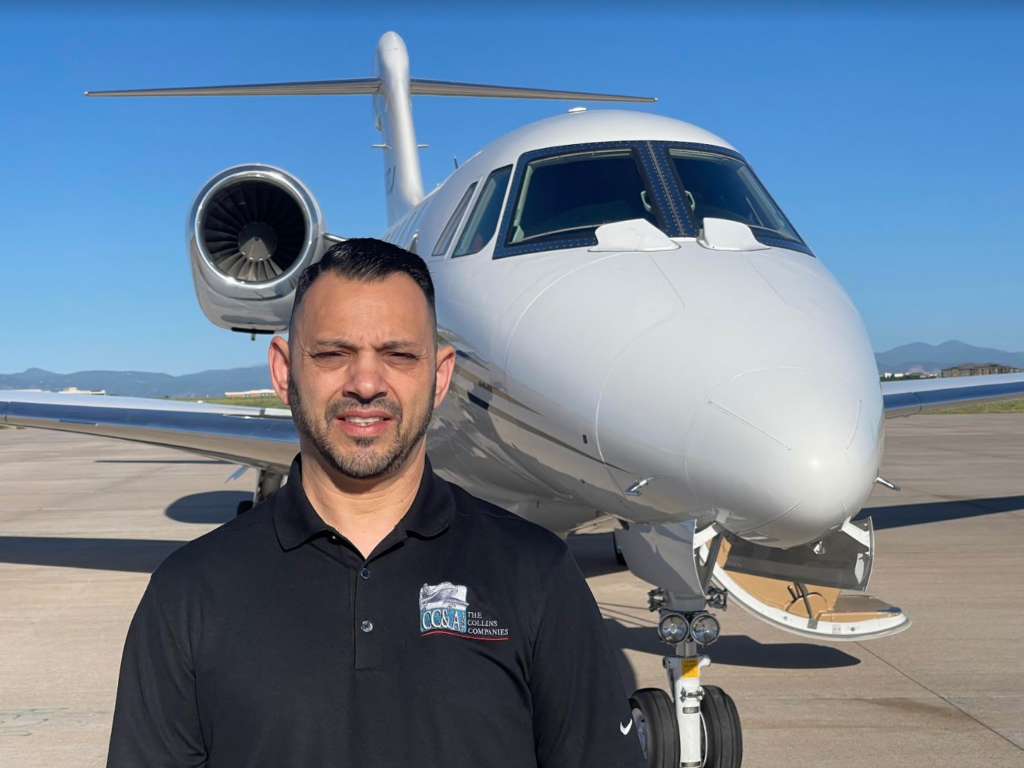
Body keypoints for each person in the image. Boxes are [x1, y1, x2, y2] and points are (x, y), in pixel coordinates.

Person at [106, 238, 646, 768]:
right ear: (283, 371)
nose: (365, 383)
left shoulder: (538, 575)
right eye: (333, 353)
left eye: (399, 354)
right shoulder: (188, 593)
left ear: (439, 377)